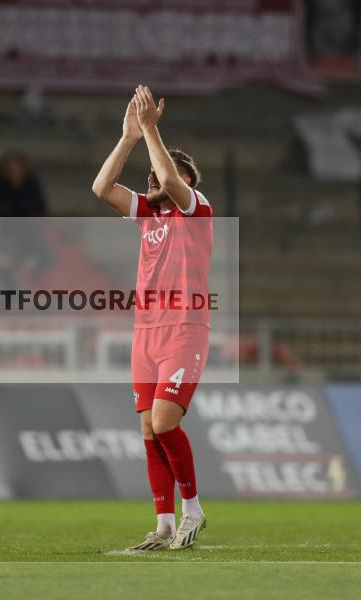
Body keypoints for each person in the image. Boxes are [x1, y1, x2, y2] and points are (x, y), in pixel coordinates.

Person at [91, 85, 212, 551]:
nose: (152, 180)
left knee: (164, 422)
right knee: (148, 430)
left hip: (184, 329)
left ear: (187, 182)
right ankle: (163, 524)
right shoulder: (148, 215)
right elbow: (102, 189)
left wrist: (150, 130)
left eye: (163, 175)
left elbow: (169, 178)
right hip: (146, 333)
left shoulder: (196, 210)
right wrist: (128, 137)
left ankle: (193, 510)